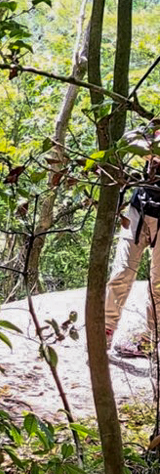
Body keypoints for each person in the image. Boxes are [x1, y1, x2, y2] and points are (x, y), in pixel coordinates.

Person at [105, 152, 160, 358]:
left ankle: (149, 342)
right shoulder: (153, 126)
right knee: (121, 272)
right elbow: (131, 144)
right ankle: (105, 331)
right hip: (139, 208)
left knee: (158, 285)